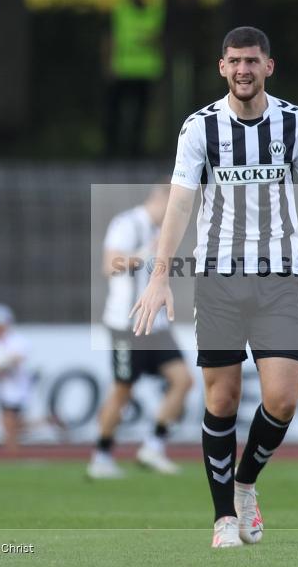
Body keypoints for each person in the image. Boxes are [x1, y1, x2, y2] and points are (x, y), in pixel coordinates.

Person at [130, 26, 298, 548]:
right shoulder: (199, 129)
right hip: (219, 282)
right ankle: (223, 516)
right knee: (222, 399)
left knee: (282, 398)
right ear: (222, 67)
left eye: (252, 60)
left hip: (278, 279)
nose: (243, 69)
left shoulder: (296, 124)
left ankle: (245, 483)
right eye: (234, 61)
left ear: (269, 66)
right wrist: (160, 274)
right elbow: (180, 203)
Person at [87, 184, 194, 479]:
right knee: (123, 390)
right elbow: (109, 266)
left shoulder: (165, 230)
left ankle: (153, 446)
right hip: (126, 325)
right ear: (159, 198)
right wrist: (143, 254)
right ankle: (102, 454)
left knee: (184, 380)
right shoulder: (127, 224)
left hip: (156, 324)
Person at [0, 304, 61, 453]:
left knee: (9, 424)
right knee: (12, 425)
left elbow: (17, 358)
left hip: (17, 389)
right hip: (3, 389)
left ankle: (12, 455)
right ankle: (46, 422)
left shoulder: (17, 341)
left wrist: (1, 366)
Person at [102, 0, 165, 157]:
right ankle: (112, 150)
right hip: (122, 69)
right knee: (115, 112)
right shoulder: (121, 10)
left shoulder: (155, 10)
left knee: (141, 115)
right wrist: (108, 64)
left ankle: (136, 151)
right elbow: (110, 38)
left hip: (146, 70)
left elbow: (160, 37)